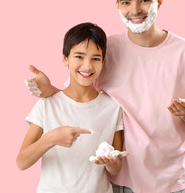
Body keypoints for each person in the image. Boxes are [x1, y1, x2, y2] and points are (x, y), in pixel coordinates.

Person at [26, 0, 185, 193]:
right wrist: (50, 90)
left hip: (171, 182)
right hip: (121, 181)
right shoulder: (105, 49)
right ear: (117, 5)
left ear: (158, 1)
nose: (135, 10)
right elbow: (76, 100)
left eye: (144, 0)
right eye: (126, 2)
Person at [17, 22, 128, 193]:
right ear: (65, 59)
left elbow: (115, 167)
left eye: (96, 58)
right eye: (79, 56)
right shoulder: (48, 103)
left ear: (103, 62)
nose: (87, 66)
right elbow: (22, 162)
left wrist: (112, 163)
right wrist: (51, 138)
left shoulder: (112, 108)